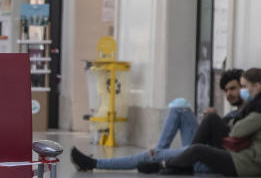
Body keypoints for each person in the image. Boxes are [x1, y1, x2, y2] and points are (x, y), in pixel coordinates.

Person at [71, 69, 245, 172]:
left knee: (150, 155)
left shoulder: (248, 114)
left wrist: (216, 121)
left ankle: (95, 163)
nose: (229, 94)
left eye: (234, 89)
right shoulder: (235, 112)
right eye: (226, 90)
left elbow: (234, 140)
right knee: (180, 106)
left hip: (209, 159)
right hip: (202, 148)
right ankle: (160, 153)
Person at [143, 67, 261, 176]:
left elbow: (237, 131)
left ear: (257, 86)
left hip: (247, 163)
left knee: (197, 149)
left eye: (244, 86)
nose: (242, 91)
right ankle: (182, 164)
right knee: (211, 119)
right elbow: (234, 125)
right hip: (240, 153)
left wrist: (232, 123)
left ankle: (164, 164)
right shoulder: (255, 105)